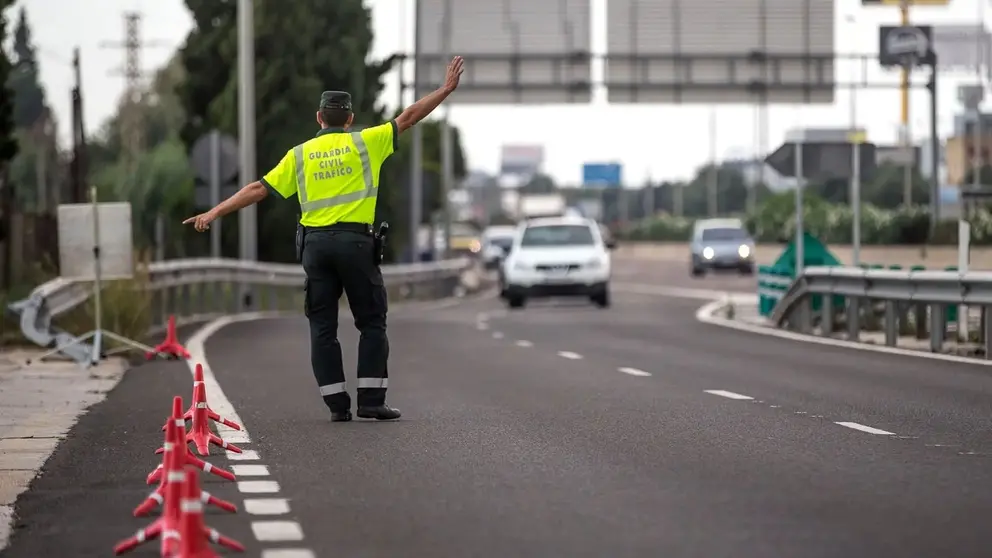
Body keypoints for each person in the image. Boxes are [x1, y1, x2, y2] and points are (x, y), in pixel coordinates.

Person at [183, 56, 466, 422]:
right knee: (371, 322)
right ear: (349, 119)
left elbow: (258, 189)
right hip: (356, 245)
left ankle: (337, 405)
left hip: (315, 248)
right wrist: (445, 89)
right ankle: (370, 401)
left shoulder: (299, 155)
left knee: (322, 327)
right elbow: (410, 116)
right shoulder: (368, 142)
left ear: (319, 118)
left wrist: (214, 212)